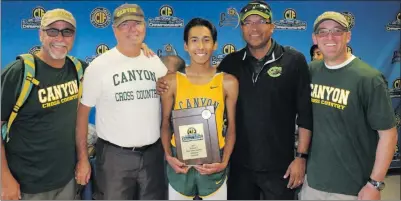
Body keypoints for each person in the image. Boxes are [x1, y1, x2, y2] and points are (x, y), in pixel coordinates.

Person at [157, 1, 313, 200]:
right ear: (241, 28)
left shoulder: (294, 60)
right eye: (248, 22)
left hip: (279, 167)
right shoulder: (231, 63)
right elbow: (201, 78)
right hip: (239, 167)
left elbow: (305, 114)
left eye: (260, 21)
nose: (254, 27)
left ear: (272, 26)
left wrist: (301, 158)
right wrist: (162, 83)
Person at [300, 11, 398, 200]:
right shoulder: (311, 71)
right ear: (315, 38)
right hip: (313, 182)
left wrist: (375, 184)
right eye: (323, 32)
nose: (330, 37)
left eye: (337, 31)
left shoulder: (369, 79)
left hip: (352, 187)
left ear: (348, 36)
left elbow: (388, 135)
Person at [75, 3, 168, 200]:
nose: (132, 29)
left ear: (145, 26)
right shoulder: (99, 66)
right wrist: (83, 159)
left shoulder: (154, 62)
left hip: (152, 156)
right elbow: (82, 116)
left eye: (137, 23)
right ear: (114, 30)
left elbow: (171, 92)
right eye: (125, 24)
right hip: (114, 158)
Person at [1, 9, 87, 200]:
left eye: (67, 31)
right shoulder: (18, 72)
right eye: (52, 31)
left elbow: (112, 67)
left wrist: (140, 49)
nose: (60, 38)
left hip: (67, 180)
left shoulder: (78, 69)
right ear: (41, 34)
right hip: (26, 185)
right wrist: (4, 178)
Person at [160, 18, 238, 200]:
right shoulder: (171, 81)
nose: (200, 46)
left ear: (215, 44)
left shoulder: (228, 82)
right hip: (179, 162)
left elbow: (232, 127)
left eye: (206, 39)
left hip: (214, 164)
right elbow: (165, 123)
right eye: (194, 40)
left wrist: (224, 161)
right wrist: (168, 156)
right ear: (186, 46)